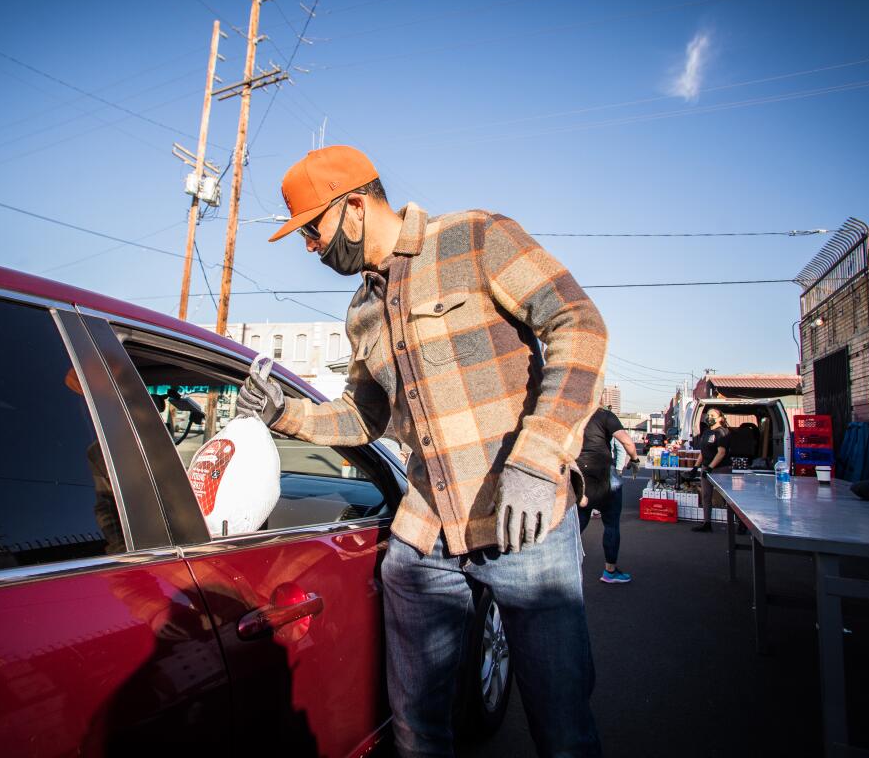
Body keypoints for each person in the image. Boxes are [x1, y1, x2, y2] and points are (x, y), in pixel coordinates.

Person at [235, 146, 607, 757]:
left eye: (311, 230)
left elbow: (578, 324)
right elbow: (363, 414)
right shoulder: (360, 312)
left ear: (354, 205)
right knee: (416, 731)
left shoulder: (476, 238)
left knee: (563, 730)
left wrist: (537, 456)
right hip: (425, 540)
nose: (310, 247)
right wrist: (283, 412)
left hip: (525, 528)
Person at [576, 398, 641, 583]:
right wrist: (635, 460)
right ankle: (610, 572)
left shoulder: (575, 416)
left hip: (580, 476)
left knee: (577, 524)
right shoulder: (605, 415)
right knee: (611, 525)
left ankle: (558, 568)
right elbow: (627, 442)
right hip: (605, 474)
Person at [692, 408, 731, 533]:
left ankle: (740, 523)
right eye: (708, 415)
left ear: (720, 418)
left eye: (712, 415)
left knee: (728, 497)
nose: (709, 417)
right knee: (706, 495)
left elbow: (721, 452)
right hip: (706, 468)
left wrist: (710, 467)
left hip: (721, 469)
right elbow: (703, 453)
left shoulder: (722, 432)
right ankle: (707, 523)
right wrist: (696, 467)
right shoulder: (706, 433)